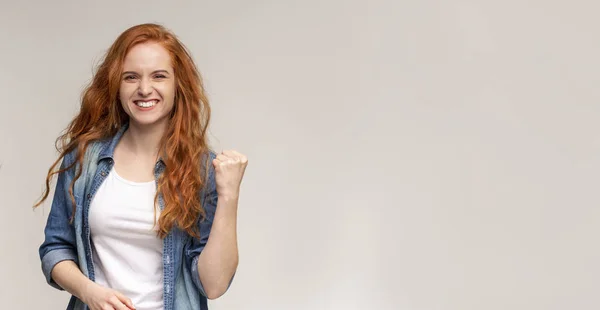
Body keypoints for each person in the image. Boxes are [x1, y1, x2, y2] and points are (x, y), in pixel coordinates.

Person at [34, 23, 247, 310]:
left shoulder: (202, 169)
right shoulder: (84, 159)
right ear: (116, 86)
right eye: (131, 77)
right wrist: (90, 292)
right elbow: (55, 249)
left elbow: (214, 284)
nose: (144, 89)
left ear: (177, 85)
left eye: (159, 76)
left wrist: (229, 196)